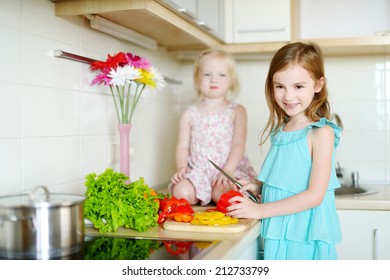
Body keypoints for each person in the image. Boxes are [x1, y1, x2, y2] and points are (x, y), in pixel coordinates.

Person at [227, 42, 342, 260]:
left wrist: (258, 211)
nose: (288, 96)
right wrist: (259, 185)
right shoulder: (282, 130)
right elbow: (288, 177)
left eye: (298, 86)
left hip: (304, 234)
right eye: (280, 86)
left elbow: (314, 196)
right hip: (279, 229)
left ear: (318, 85)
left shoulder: (321, 132)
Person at [169, 48, 257, 206]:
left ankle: (214, 194)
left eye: (221, 75)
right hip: (198, 172)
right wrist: (182, 168)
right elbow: (182, 146)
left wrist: (228, 171)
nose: (214, 80)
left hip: (227, 170)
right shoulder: (190, 113)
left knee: (228, 197)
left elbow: (238, 144)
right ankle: (200, 193)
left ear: (231, 80)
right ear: (197, 78)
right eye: (207, 74)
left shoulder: (237, 111)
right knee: (181, 192)